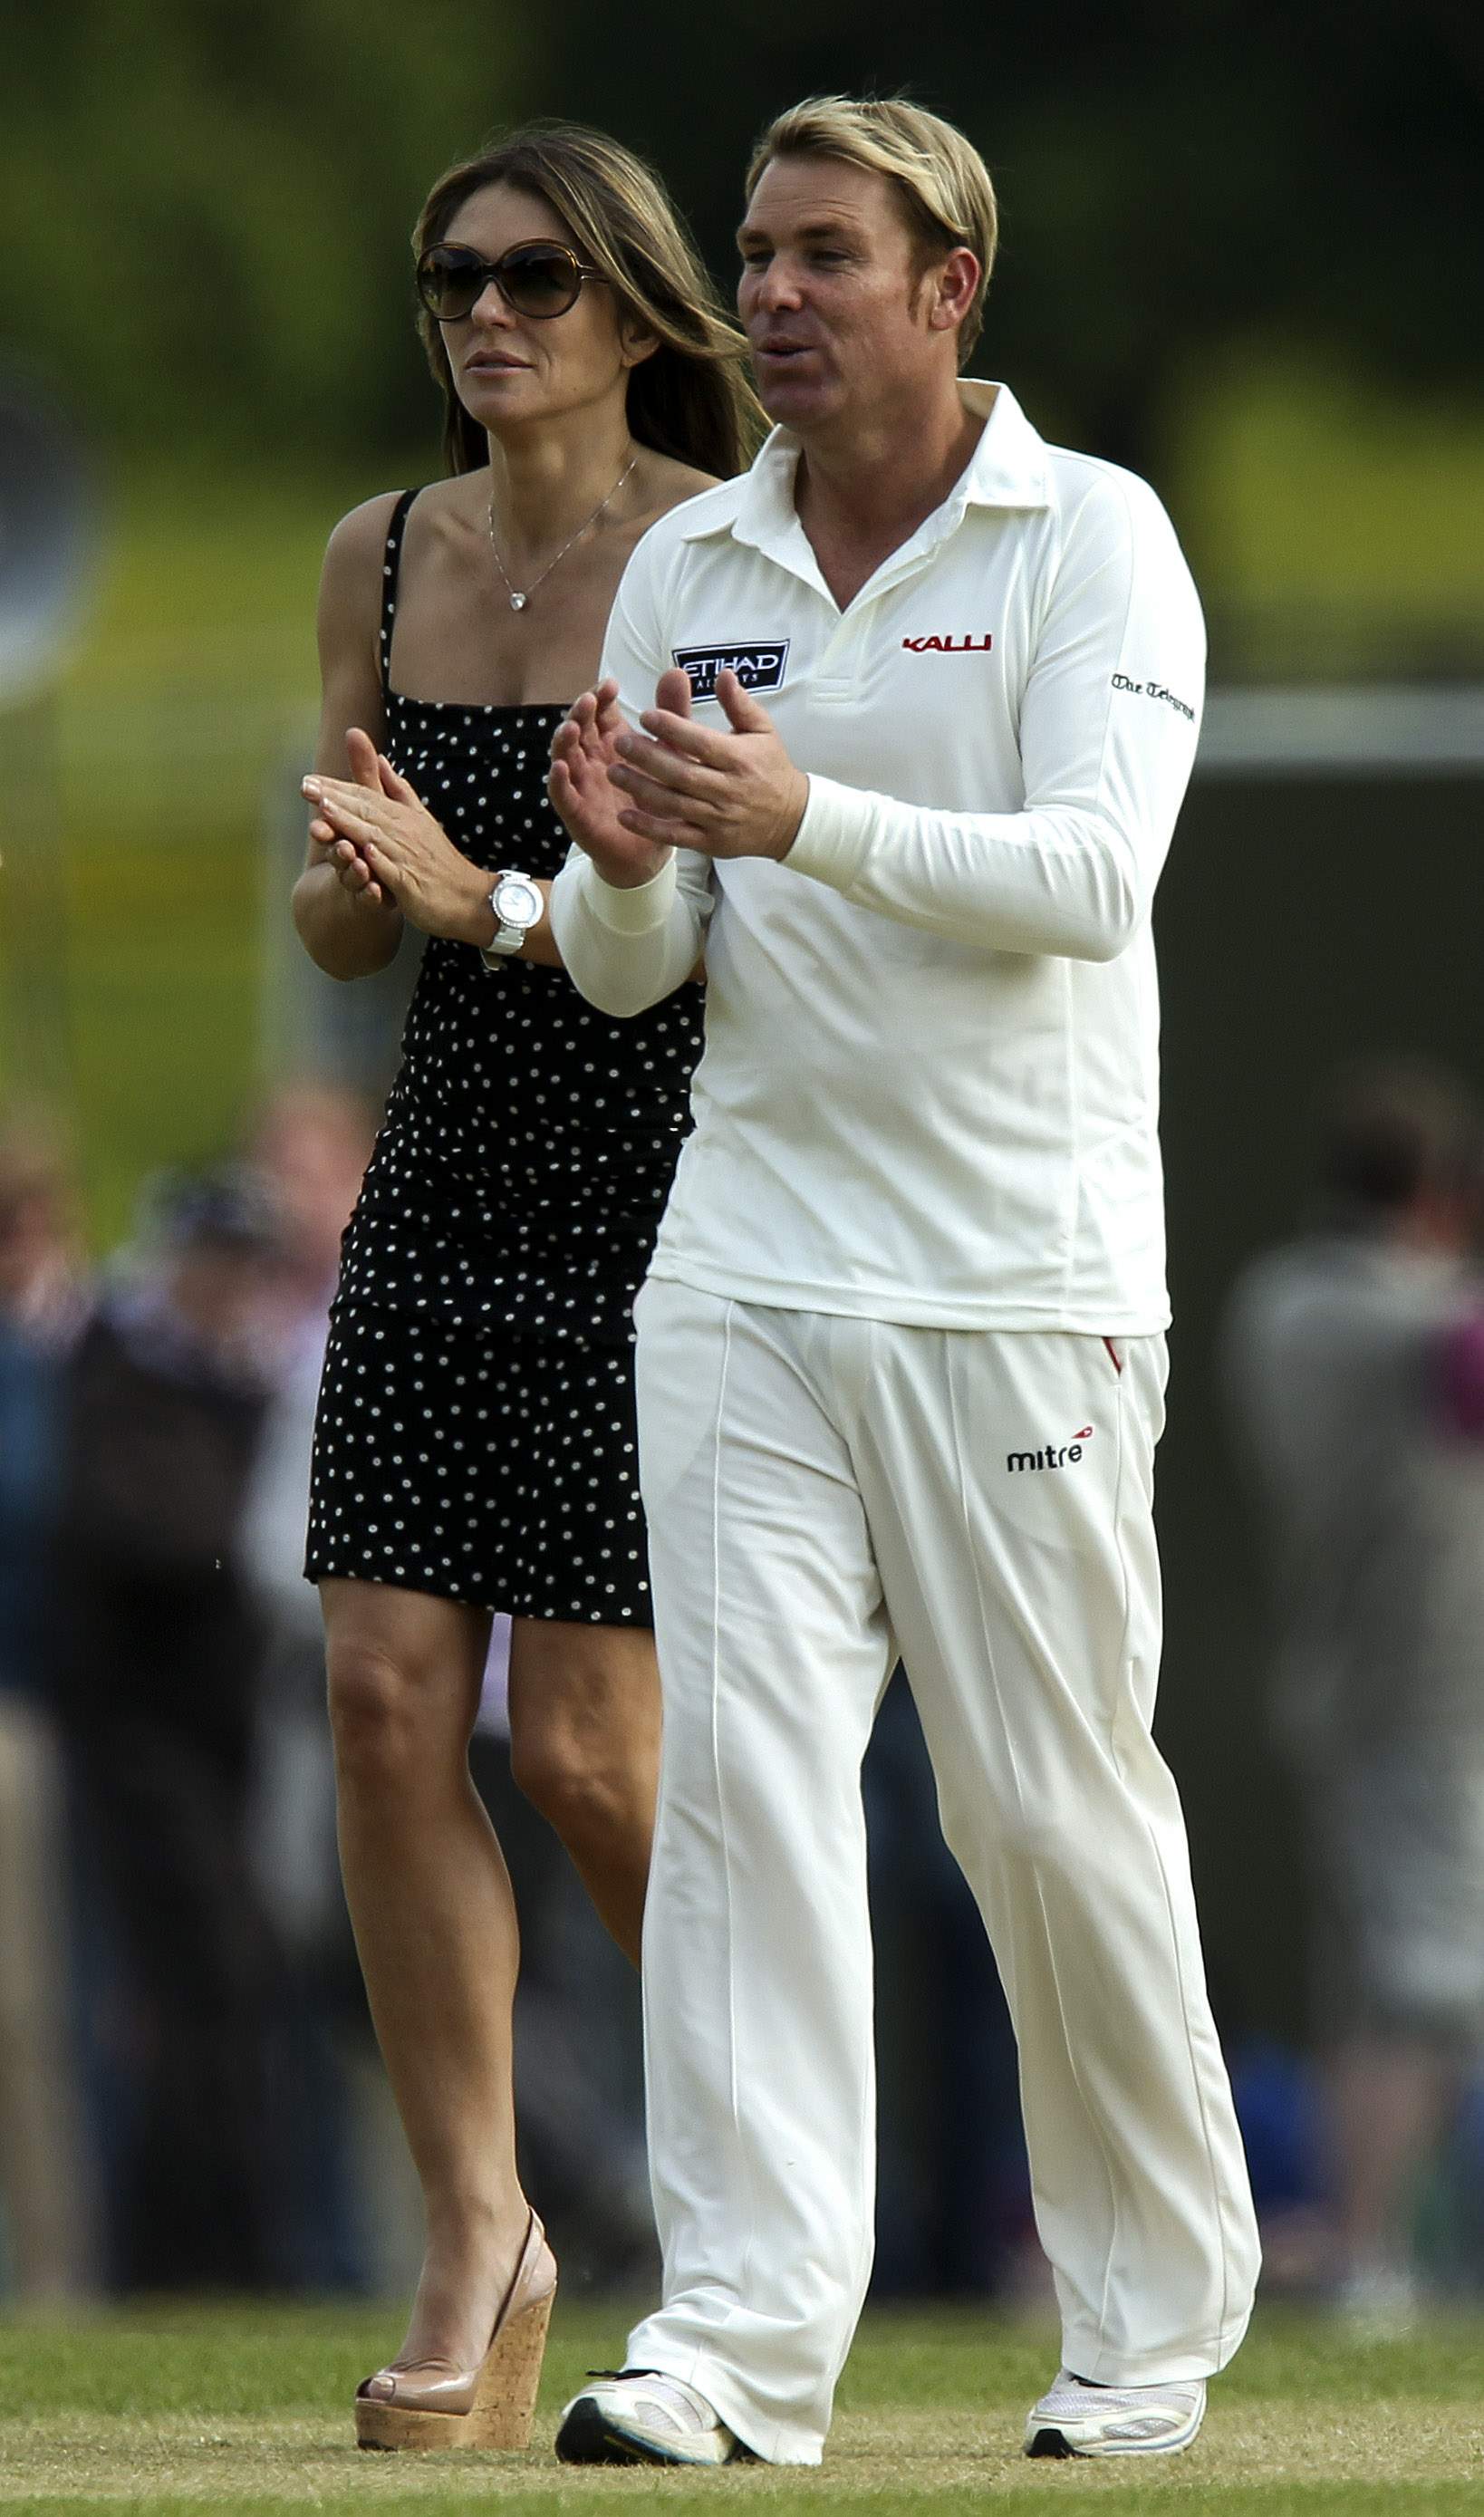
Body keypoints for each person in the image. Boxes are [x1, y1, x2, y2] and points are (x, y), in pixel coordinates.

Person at [547, 94, 1260, 2467]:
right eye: (750, 254)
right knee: (739, 1804)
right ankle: (734, 2355)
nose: (766, 295)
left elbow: (1086, 876)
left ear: (947, 284)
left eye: (819, 255)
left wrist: (793, 816)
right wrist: (627, 859)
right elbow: (632, 970)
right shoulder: (694, 562)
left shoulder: (1094, 538)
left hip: (1014, 1281)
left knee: (1040, 1812)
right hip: (744, 1268)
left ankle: (1142, 2329)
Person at [294, 123, 759, 2450]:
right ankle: (479, 2227)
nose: (487, 313)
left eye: (536, 278)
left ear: (634, 305)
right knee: (383, 1703)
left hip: (659, 1190)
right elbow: (334, 927)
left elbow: (723, 934)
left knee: (588, 1760)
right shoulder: (379, 555)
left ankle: (773, 2213)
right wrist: (357, 874)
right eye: (452, 277)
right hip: (441, 1181)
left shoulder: (724, 548)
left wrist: (471, 877)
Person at [1223, 1061, 1484, 2326]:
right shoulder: (1414, 1321)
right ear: (1438, 1193)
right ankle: (1372, 2253)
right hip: (1423, 1693)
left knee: (1366, 1981)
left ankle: (1369, 2242)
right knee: (1425, 1985)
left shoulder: (1276, 1301)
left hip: (1333, 1677)